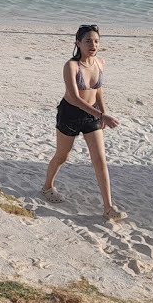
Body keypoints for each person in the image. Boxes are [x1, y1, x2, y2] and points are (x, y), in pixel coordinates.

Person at [41, 24, 124, 221]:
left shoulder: (100, 63)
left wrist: (102, 112)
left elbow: (99, 91)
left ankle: (108, 207)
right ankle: (47, 187)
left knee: (100, 160)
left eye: (96, 41)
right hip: (70, 114)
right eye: (88, 41)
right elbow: (75, 97)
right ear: (78, 43)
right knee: (62, 156)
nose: (92, 44)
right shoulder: (71, 66)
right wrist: (102, 116)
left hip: (92, 115)